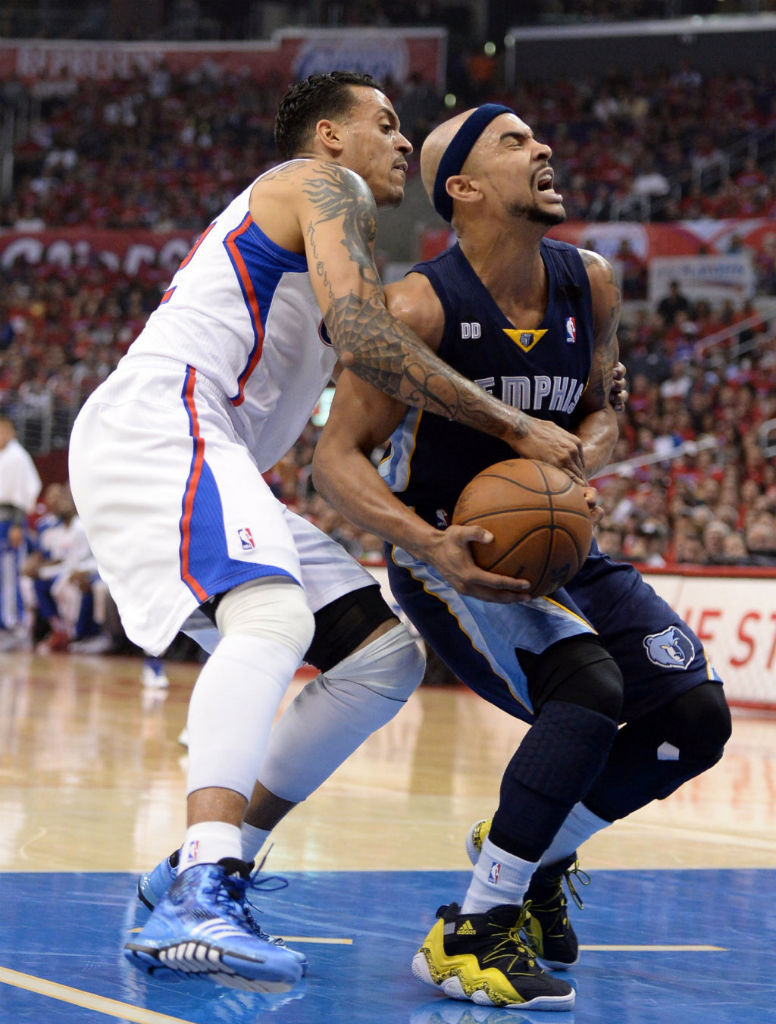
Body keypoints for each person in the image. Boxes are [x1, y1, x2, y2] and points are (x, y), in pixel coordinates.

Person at [68, 73, 584, 994]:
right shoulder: (317, 185)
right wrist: (514, 427)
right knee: (271, 616)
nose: (400, 142)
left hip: (214, 449)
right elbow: (370, 342)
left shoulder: (342, 243)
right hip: (168, 421)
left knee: (382, 657)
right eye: (383, 125)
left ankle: (207, 862)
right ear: (328, 139)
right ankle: (201, 881)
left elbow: (392, 363)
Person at [310, 105, 732, 1011]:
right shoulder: (421, 306)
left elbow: (600, 414)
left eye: (539, 136)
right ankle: (471, 930)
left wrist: (587, 454)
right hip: (451, 552)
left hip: (560, 547)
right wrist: (428, 547)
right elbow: (332, 461)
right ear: (460, 187)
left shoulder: (592, 283)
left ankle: (529, 851)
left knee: (695, 717)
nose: (542, 146)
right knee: (588, 688)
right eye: (513, 140)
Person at [0, 415, 41, 647]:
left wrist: (17, 524)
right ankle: (3, 623)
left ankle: (15, 624)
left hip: (11, 520)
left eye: (4, 431)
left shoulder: (18, 457)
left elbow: (26, 493)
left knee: (10, 572)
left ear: (12, 432)